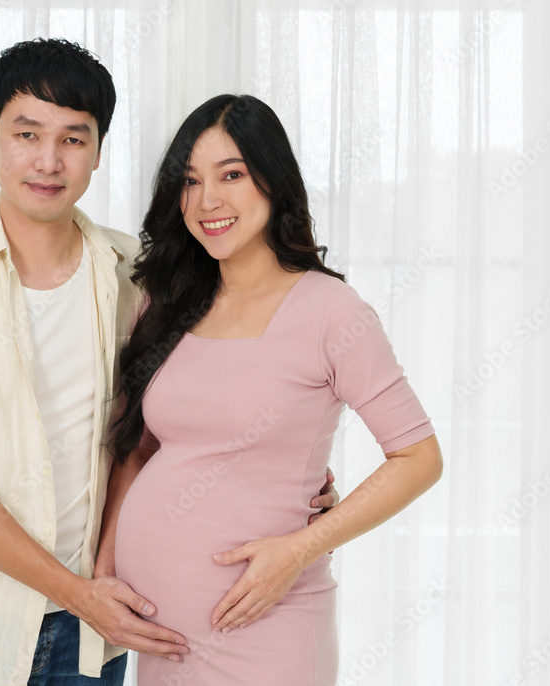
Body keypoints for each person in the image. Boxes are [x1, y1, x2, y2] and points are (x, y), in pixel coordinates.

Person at [0, 39, 340, 685]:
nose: (49, 160)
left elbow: (174, 423)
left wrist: (284, 478)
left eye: (73, 138)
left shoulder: (137, 276)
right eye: (27, 134)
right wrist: (77, 593)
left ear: (97, 151)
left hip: (103, 631)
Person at [105, 94, 444, 685]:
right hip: (158, 636)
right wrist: (106, 571)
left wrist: (298, 550)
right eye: (190, 181)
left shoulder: (332, 311)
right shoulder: (167, 304)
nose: (207, 200)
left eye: (231, 175)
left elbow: (418, 457)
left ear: (273, 180)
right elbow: (138, 450)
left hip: (269, 629)